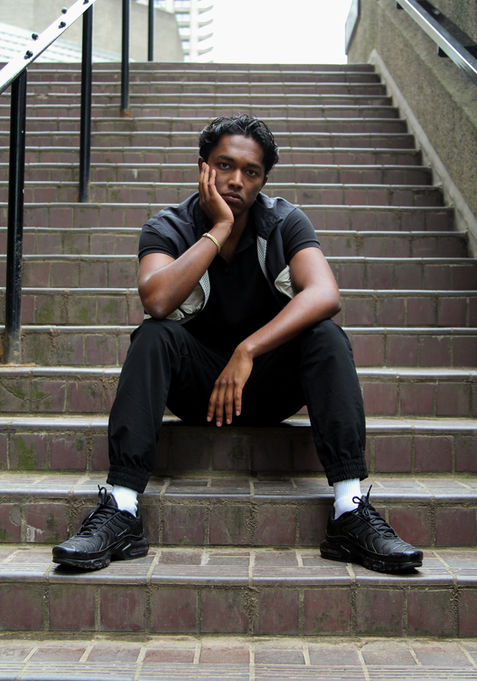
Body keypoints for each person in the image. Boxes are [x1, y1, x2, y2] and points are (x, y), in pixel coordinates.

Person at [52, 114, 423, 574]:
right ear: (203, 167)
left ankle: (349, 510)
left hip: (267, 387)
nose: (235, 180)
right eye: (224, 165)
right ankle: (122, 507)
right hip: (197, 391)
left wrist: (247, 350)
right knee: (154, 334)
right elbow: (157, 299)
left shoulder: (284, 221)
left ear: (263, 180)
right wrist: (220, 229)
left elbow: (326, 294)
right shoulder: (168, 225)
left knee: (325, 335)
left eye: (251, 171)